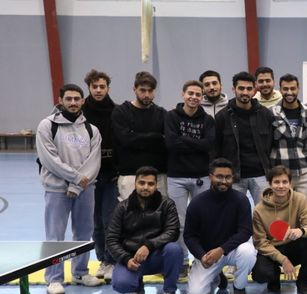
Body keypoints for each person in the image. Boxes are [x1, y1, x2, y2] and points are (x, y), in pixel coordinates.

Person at [37, 83, 104, 294]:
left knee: (84, 232)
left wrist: (77, 185)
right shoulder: (47, 126)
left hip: (85, 189)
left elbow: (94, 162)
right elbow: (49, 159)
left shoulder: (92, 130)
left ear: (82, 101)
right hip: (57, 189)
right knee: (55, 235)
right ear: (61, 100)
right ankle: (54, 278)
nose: (73, 102)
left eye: (77, 99)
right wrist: (74, 179)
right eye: (69, 99)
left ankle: (80, 272)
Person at [183, 158, 257, 294]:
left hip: (231, 250)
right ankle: (217, 277)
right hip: (208, 254)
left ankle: (239, 287)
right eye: (219, 177)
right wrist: (201, 255)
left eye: (227, 177)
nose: (223, 181)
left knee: (248, 251)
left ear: (233, 178)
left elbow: (245, 231)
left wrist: (222, 250)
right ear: (210, 177)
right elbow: (189, 236)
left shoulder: (241, 200)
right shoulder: (197, 202)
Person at [106, 166, 181, 294]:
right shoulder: (122, 207)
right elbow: (111, 239)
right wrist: (126, 259)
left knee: (174, 250)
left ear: (156, 185)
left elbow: (173, 231)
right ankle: (137, 286)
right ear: (135, 183)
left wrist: (149, 245)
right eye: (142, 183)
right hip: (132, 258)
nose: (146, 187)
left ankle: (169, 291)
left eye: (150, 184)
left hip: (157, 256)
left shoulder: (167, 204)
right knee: (121, 285)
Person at [164, 80, 215, 274]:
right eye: (190, 93)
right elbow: (171, 143)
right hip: (176, 177)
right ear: (183, 94)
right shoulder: (171, 116)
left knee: (203, 220)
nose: (194, 97)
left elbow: (208, 145)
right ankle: (183, 261)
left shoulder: (208, 120)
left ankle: (202, 259)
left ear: (202, 97)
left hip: (201, 177)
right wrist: (197, 143)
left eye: (197, 94)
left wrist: (183, 140)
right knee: (179, 222)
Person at [251, 165, 307, 294]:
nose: (281, 186)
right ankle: (274, 277)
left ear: (290, 183)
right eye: (276, 182)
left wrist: (301, 231)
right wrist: (283, 260)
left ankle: (303, 281)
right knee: (260, 274)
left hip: (293, 246)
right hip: (272, 250)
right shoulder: (259, 210)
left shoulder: (300, 199)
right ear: (270, 184)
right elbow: (260, 243)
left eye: (284, 182)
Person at [270, 73, 307, 242]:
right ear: (280, 89)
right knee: (281, 215)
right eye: (285, 89)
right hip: (281, 174)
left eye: (293, 88)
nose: (289, 92)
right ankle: (282, 251)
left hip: (305, 170)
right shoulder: (272, 113)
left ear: (298, 88)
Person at [214, 71, 275, 203]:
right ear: (233, 89)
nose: (245, 92)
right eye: (241, 88)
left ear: (254, 89)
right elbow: (216, 149)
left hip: (261, 175)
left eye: (249, 88)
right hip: (233, 176)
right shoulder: (222, 117)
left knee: (266, 212)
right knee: (232, 212)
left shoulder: (266, 115)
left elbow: (272, 146)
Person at [81, 69, 117, 282]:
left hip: (111, 175)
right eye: (94, 86)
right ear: (89, 88)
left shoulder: (117, 111)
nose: (98, 90)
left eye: (102, 86)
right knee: (95, 222)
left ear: (108, 88)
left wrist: (119, 169)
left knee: (110, 220)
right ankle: (102, 259)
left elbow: (121, 141)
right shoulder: (81, 112)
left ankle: (112, 260)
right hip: (89, 177)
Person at [111, 71, 167, 199]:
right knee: (131, 212)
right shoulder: (121, 112)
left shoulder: (162, 114)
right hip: (130, 175)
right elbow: (126, 140)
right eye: (142, 90)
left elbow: (167, 142)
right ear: (134, 89)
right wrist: (157, 137)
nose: (146, 95)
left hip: (158, 175)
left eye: (150, 91)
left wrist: (135, 137)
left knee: (160, 211)